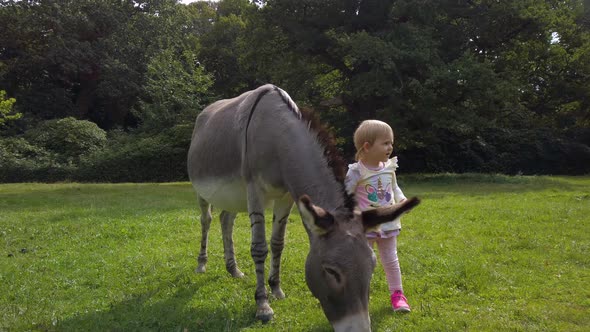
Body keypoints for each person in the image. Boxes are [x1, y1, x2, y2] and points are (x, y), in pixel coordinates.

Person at [345, 119, 411, 313]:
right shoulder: (356, 172)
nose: (390, 146)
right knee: (364, 262)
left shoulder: (389, 167)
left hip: (389, 224)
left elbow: (394, 188)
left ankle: (398, 295)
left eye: (391, 142)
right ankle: (358, 297)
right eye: (385, 143)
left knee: (391, 259)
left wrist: (402, 200)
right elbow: (346, 195)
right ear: (367, 146)